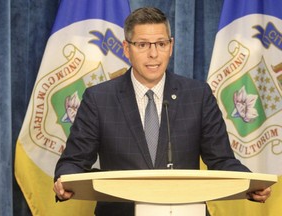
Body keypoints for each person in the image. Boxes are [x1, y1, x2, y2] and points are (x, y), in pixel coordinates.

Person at [53, 7, 271, 216]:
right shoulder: (99, 98)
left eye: (161, 43)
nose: (154, 54)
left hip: (186, 212)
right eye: (142, 45)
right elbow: (74, 161)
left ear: (171, 46)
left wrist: (250, 184)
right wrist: (66, 180)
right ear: (127, 48)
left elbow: (222, 160)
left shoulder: (198, 95)